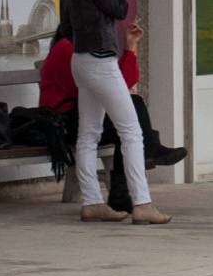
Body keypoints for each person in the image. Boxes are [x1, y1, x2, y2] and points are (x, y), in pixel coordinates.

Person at [58, 0, 171, 224]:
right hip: (100, 61)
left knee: (88, 134)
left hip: (81, 60)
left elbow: (66, 24)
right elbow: (120, 9)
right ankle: (142, 203)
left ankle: (92, 201)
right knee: (132, 132)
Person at [38, 21, 185, 212]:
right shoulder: (68, 50)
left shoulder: (85, 51)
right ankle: (141, 161)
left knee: (131, 112)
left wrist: (130, 47)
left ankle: (124, 188)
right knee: (131, 112)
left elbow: (122, 82)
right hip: (62, 123)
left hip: (81, 114)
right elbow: (109, 87)